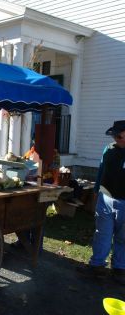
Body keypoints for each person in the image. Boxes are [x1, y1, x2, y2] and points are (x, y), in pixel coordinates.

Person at [77, 120, 125, 284]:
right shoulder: (108, 149)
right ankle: (97, 266)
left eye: (119, 135)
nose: (116, 139)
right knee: (102, 235)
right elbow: (101, 171)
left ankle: (120, 269)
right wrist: (96, 191)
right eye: (115, 135)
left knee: (122, 238)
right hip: (105, 200)